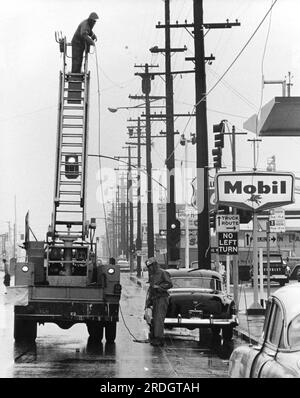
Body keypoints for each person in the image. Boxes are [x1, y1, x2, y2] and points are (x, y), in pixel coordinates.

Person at [144, 257, 173, 346]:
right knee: (154, 319)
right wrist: (148, 302)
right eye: (148, 267)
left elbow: (169, 284)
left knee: (159, 319)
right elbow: (151, 289)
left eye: (151, 266)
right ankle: (155, 336)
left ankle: (159, 338)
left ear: (155, 265)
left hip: (162, 298)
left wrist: (159, 287)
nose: (150, 268)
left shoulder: (162, 273)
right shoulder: (152, 275)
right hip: (155, 299)